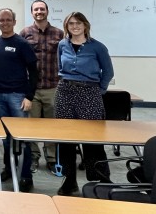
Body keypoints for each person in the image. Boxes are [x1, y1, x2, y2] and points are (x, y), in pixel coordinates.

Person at [55, 11, 115, 196]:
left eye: (79, 23)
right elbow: (60, 67)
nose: (75, 26)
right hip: (65, 92)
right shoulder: (62, 45)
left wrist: (99, 90)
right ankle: (69, 181)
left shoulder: (97, 47)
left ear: (85, 25)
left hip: (89, 92)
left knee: (93, 139)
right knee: (66, 140)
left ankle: (100, 180)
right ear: (67, 26)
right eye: (71, 23)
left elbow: (108, 72)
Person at [0, 8, 38, 192]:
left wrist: (29, 96)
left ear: (14, 22)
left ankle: (25, 176)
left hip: (18, 97)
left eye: (8, 19)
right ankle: (9, 168)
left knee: (21, 138)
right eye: (2, 20)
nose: (5, 22)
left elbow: (33, 72)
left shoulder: (22, 44)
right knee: (6, 138)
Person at [20, 0, 64, 174]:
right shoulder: (25, 33)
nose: (39, 11)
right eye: (36, 9)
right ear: (32, 13)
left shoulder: (59, 34)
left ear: (47, 11)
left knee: (51, 127)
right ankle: (33, 158)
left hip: (53, 86)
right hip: (32, 89)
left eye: (42, 9)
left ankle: (52, 159)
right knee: (32, 127)